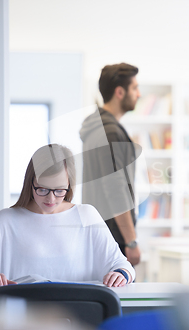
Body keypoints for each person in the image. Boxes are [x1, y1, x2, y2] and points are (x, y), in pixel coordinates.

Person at [0, 144, 135, 288]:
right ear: (30, 183)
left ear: (69, 186)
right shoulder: (7, 219)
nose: (50, 199)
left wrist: (120, 275)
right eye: (42, 189)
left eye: (59, 191)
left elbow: (124, 266)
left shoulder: (86, 215)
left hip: (78, 314)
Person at [80, 63, 141, 266]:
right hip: (114, 237)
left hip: (99, 234)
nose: (138, 94)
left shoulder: (96, 128)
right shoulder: (110, 132)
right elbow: (116, 190)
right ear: (120, 92)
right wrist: (131, 241)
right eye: (135, 88)